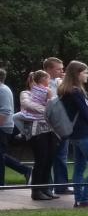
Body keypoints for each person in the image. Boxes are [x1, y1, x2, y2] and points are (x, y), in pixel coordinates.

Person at [56, 61, 88, 208]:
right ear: (77, 74)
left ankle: (78, 199)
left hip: (74, 134)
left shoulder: (66, 91)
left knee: (79, 167)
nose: (87, 75)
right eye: (85, 72)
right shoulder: (75, 92)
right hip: (83, 133)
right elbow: (85, 113)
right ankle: (84, 198)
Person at [19, 71, 57, 200]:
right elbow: (28, 105)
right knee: (41, 160)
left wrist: (50, 101)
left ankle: (45, 188)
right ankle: (36, 190)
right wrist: (47, 110)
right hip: (36, 131)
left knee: (49, 159)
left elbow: (54, 106)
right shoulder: (26, 94)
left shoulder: (48, 93)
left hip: (49, 130)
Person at [0, 68, 33, 188]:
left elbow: (5, 111)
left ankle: (1, 184)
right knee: (1, 155)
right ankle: (25, 170)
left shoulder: (2, 90)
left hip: (2, 127)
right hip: (4, 126)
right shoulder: (3, 89)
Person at [44, 57, 71, 195]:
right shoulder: (43, 83)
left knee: (61, 155)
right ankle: (45, 187)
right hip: (49, 125)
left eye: (62, 68)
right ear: (49, 69)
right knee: (48, 156)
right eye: (58, 68)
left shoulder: (60, 82)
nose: (62, 71)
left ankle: (61, 186)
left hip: (62, 123)